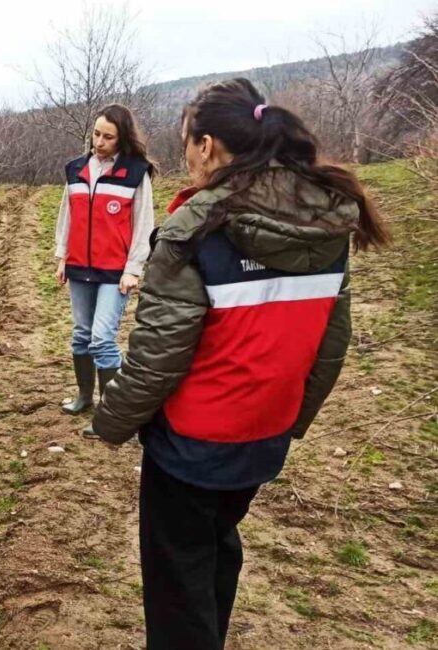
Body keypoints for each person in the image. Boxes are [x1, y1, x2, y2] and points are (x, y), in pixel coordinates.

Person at [91, 78, 390, 650]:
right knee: (219, 544)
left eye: (186, 142)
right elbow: (332, 343)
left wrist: (113, 421)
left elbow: (159, 356)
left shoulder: (195, 226)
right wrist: (292, 419)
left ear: (207, 146)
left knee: (177, 585)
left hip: (191, 442)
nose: (185, 154)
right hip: (265, 434)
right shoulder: (326, 217)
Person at [53, 104, 156, 437]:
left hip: (115, 272)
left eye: (108, 137)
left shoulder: (135, 173)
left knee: (101, 339)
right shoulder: (76, 170)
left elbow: (144, 226)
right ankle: (85, 397)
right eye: (96, 134)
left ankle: (114, 412)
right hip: (79, 268)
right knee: (82, 335)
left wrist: (133, 269)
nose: (99, 142)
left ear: (121, 138)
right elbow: (66, 216)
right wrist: (61, 256)